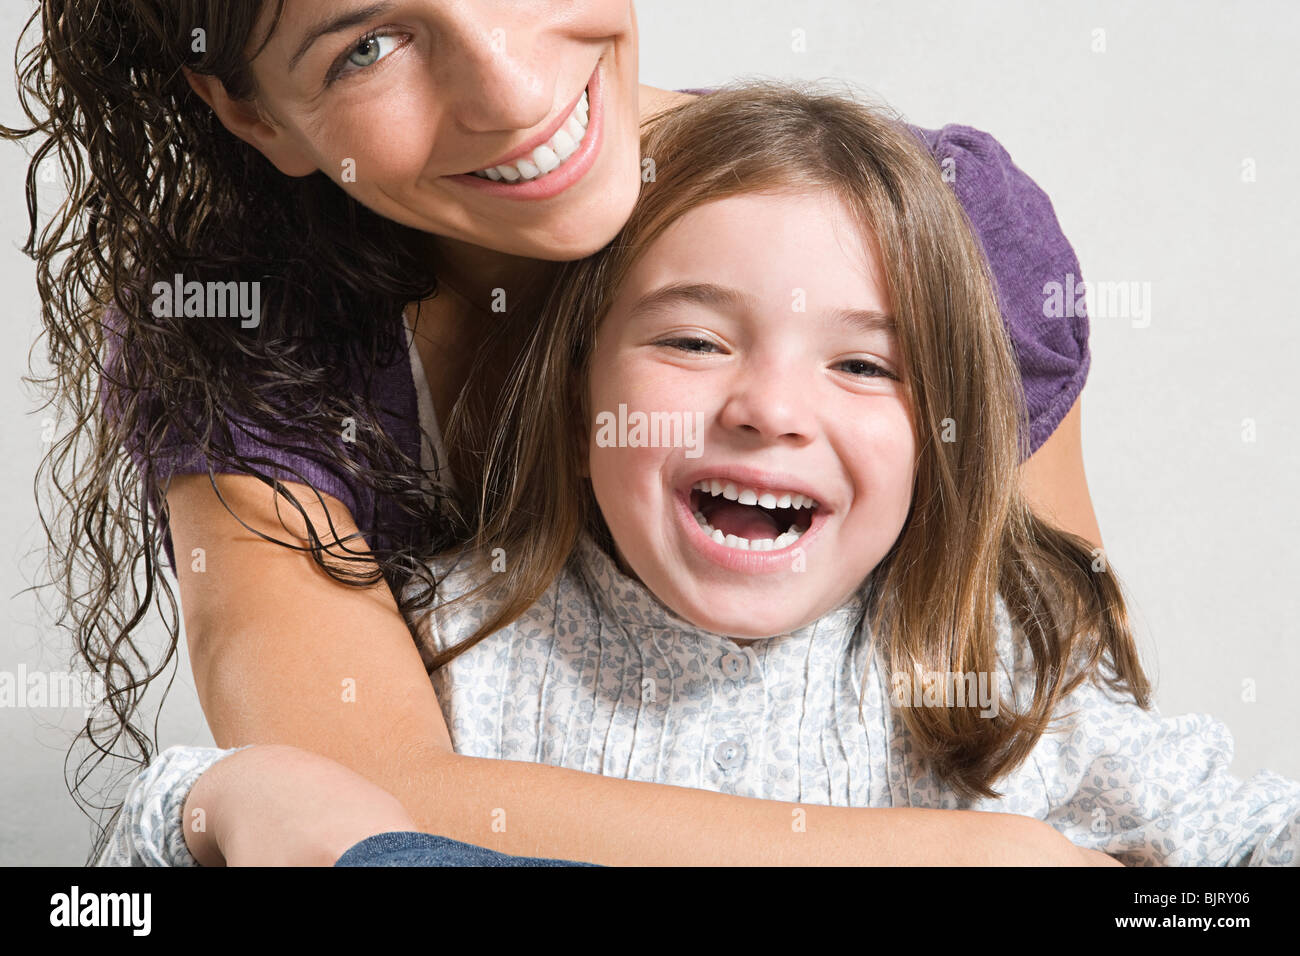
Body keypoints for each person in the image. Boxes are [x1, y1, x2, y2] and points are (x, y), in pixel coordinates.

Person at [5, 1, 1101, 865]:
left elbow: (1061, 705)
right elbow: (363, 798)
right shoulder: (244, 343)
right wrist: (954, 862)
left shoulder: (928, 234)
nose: (515, 89)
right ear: (250, 111)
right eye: (370, 43)